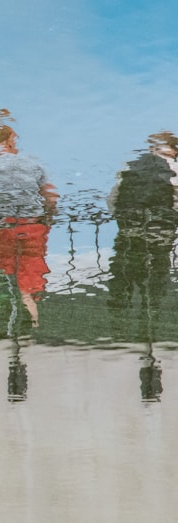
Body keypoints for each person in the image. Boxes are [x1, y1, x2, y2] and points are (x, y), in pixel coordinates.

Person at [106, 131, 178, 402]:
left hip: (130, 233)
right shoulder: (175, 170)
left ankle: (120, 324)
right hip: (160, 235)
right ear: (174, 150)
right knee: (157, 277)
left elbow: (112, 201)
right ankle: (152, 322)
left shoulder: (130, 166)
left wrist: (127, 224)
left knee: (124, 274)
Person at [0, 114, 57, 329]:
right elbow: (50, 197)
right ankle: (30, 317)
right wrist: (45, 220)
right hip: (33, 227)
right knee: (30, 272)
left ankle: (6, 322)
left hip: (2, 229)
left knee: (3, 271)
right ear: (13, 138)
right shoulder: (34, 165)